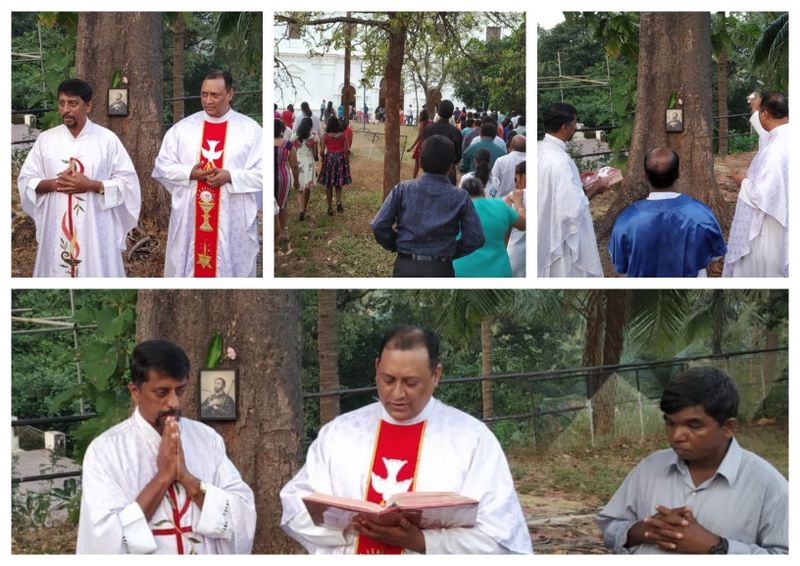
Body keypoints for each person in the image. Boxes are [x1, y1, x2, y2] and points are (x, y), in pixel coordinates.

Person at [280, 326, 532, 555]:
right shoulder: (339, 433)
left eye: (411, 382)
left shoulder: (472, 439)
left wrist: (422, 541)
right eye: (388, 380)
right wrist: (352, 528)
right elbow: (294, 509)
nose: (397, 394)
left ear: (436, 375)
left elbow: (501, 538)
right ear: (376, 368)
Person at [76, 340, 256, 554]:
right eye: (162, 392)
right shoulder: (106, 452)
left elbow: (242, 515)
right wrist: (163, 477)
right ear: (135, 391)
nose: (174, 403)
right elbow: (105, 538)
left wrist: (188, 479)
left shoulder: (206, 439)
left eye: (180, 391)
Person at [597, 367, 787, 554]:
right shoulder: (649, 468)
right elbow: (609, 526)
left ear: (728, 427)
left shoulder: (768, 485)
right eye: (670, 423)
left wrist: (718, 547)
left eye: (693, 425)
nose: (677, 435)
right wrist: (642, 531)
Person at [17, 78, 141, 277]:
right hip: (55, 225)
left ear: (88, 105)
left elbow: (128, 185)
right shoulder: (46, 140)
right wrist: (55, 184)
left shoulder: (107, 140)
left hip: (95, 229)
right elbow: (26, 181)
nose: (65, 109)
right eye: (61, 103)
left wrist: (92, 185)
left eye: (72, 103)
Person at [152, 70, 262, 277]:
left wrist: (230, 176)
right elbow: (162, 166)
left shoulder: (251, 130)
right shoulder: (182, 129)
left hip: (231, 217)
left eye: (215, 95)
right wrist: (189, 173)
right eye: (204, 94)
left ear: (230, 94)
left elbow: (264, 172)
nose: (208, 101)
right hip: (191, 218)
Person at [371, 135, 484, 277]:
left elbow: (378, 225)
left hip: (406, 266)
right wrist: (450, 252)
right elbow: (476, 237)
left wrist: (394, 244)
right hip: (441, 269)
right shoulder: (461, 197)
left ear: (421, 163)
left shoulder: (402, 189)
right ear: (450, 167)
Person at [609, 148, 726, 277]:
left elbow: (620, 265)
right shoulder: (702, 214)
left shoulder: (626, 219)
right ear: (679, 173)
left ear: (645, 175)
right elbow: (716, 255)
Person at [537, 103, 610, 277]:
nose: (575, 128)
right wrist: (596, 189)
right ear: (565, 127)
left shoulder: (539, 149)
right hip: (559, 235)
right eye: (575, 124)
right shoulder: (561, 160)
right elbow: (572, 209)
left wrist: (577, 182)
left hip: (543, 224)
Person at [724, 91, 788, 277]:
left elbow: (762, 194)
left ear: (765, 114)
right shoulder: (784, 137)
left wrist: (742, 181)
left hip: (773, 221)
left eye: (760, 112)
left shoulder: (774, 150)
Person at [453, 176, 524, 277]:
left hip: (462, 273)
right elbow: (524, 224)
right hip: (499, 275)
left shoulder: (453, 210)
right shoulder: (500, 205)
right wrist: (519, 204)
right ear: (483, 192)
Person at [421, 100, 462, 184]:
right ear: (451, 114)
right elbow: (458, 156)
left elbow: (423, 151)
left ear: (438, 112)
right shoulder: (456, 132)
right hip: (448, 174)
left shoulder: (427, 130)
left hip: (429, 173)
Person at [318, 116, 351, 216]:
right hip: (340, 160)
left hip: (329, 160)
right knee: (338, 183)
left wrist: (324, 159)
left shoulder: (325, 136)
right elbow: (346, 151)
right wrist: (347, 164)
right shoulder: (343, 135)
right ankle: (338, 201)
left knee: (328, 185)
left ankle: (329, 208)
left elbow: (321, 151)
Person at [291, 117, 319, 220]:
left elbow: (292, 151)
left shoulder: (294, 136)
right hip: (309, 163)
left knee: (299, 188)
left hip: (298, 162)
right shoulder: (313, 138)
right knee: (307, 188)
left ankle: (300, 210)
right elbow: (315, 153)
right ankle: (305, 207)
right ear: (310, 126)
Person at [274, 119, 298, 242]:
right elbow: (294, 165)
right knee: (282, 204)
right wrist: (297, 181)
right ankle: (282, 231)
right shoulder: (288, 145)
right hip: (283, 177)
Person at [506, 161, 527, 277]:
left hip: (515, 255)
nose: (516, 184)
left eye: (515, 179)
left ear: (522, 177)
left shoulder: (512, 198)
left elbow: (504, 233)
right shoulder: (546, 195)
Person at [489, 134, 526, 199]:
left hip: (503, 202)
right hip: (525, 202)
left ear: (510, 145)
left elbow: (494, 183)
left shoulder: (500, 161)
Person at [406, 109, 431, 178]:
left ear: (421, 116)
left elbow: (420, 136)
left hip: (423, 144)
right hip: (430, 143)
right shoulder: (431, 122)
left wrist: (411, 147)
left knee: (418, 162)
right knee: (425, 162)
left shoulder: (422, 123)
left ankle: (414, 177)